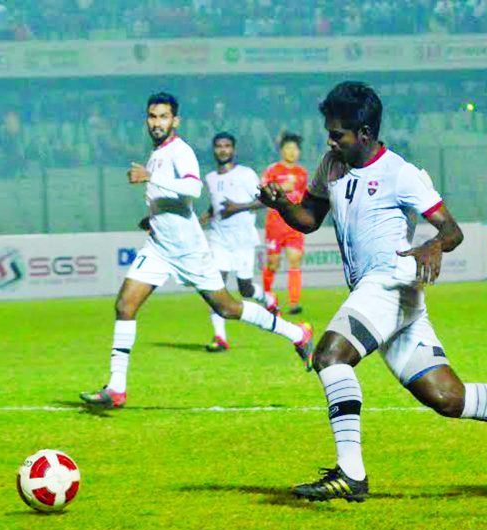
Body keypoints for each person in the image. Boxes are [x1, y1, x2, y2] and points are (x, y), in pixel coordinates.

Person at [259, 81, 487, 502]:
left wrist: (434, 245)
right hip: (387, 295)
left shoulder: (400, 173)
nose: (330, 140)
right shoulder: (332, 164)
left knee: (329, 355)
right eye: (329, 132)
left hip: (392, 282)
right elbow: (309, 218)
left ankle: (351, 473)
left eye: (338, 134)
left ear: (364, 133)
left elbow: (451, 230)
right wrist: (280, 205)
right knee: (447, 398)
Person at [80, 93, 313, 409]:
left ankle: (297, 333)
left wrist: (150, 177)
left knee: (227, 308)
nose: (157, 122)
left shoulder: (181, 151)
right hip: (160, 246)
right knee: (124, 305)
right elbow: (172, 198)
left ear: (174, 121)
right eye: (152, 116)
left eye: (163, 116)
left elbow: (193, 188)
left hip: (188, 250)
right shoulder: (157, 153)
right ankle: (116, 388)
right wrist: (153, 216)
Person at [200, 131, 279, 352]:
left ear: (233, 149)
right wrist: (200, 220)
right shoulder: (210, 178)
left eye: (227, 146)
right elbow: (215, 207)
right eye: (218, 146)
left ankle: (267, 298)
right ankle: (220, 337)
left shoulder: (245, 174)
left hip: (243, 240)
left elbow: (265, 200)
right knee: (215, 286)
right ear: (214, 149)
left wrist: (238, 207)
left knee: (245, 289)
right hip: (218, 239)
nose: (223, 149)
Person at [263, 133, 309, 315]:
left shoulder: (302, 173)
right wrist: (283, 188)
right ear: (282, 150)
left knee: (295, 259)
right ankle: (266, 297)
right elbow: (263, 191)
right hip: (275, 223)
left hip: (294, 224)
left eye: (295, 148)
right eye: (288, 148)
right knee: (273, 263)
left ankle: (294, 303)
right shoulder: (272, 170)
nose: (292, 151)